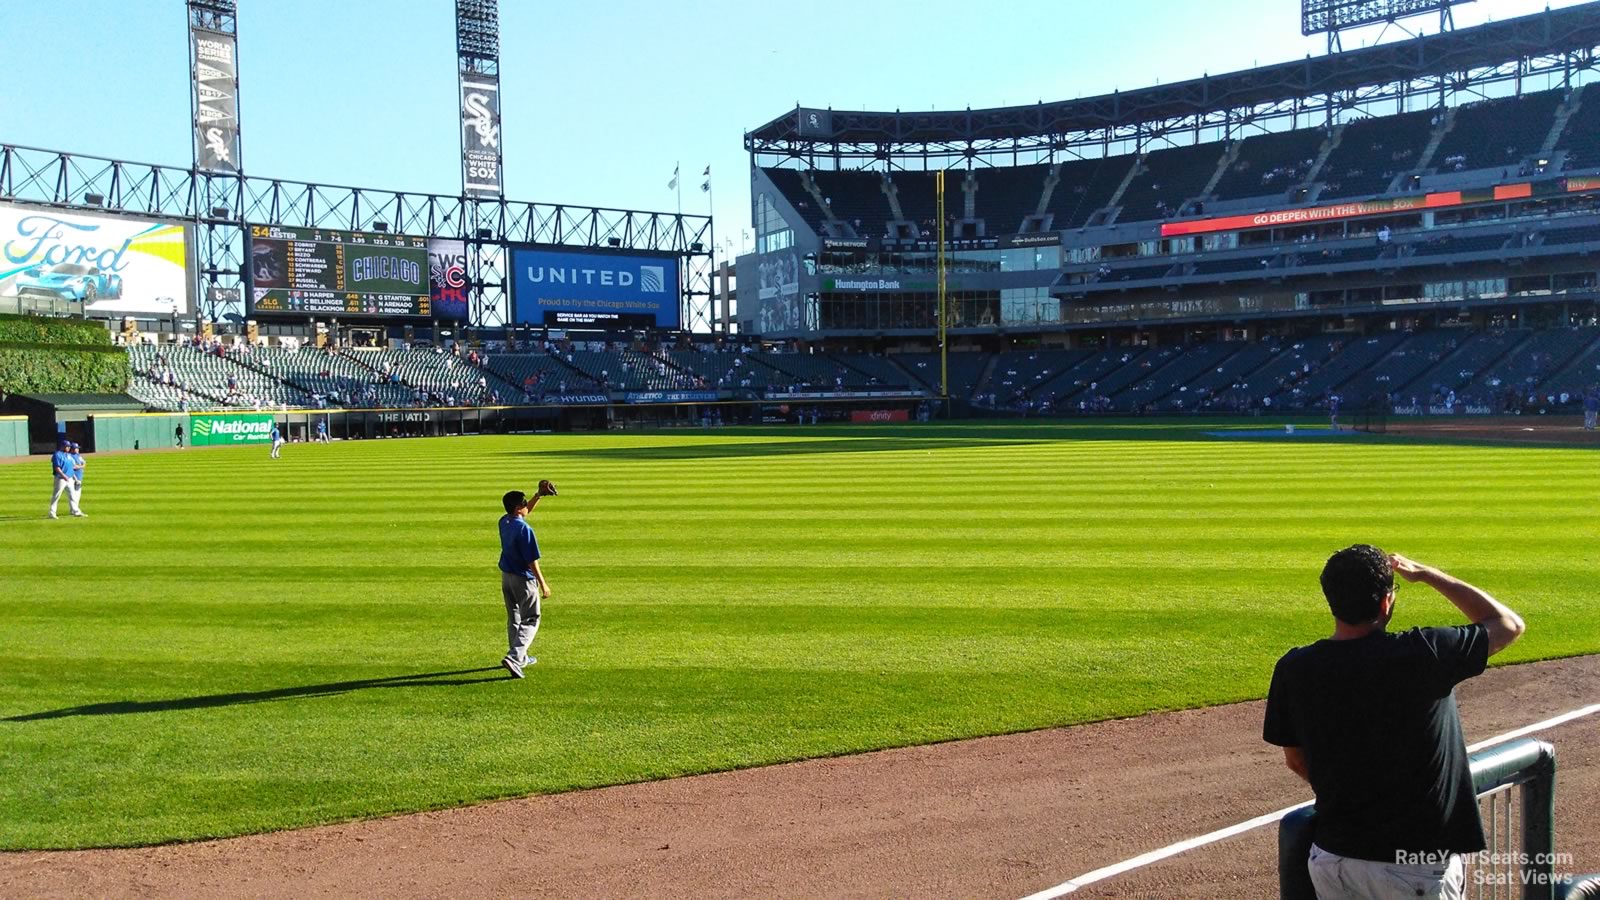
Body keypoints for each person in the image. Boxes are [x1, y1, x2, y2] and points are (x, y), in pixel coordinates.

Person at [1264, 545, 1526, 900]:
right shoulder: (1424, 652)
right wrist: (1428, 575)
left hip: (1334, 860)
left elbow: (1295, 760)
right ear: (1386, 602)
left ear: (1332, 600)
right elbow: (1508, 624)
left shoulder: (1294, 668)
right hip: (1414, 869)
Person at [496, 484, 555, 678]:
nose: (525, 505)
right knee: (531, 619)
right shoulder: (525, 529)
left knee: (514, 618)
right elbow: (532, 560)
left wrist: (538, 495)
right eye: (523, 503)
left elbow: (525, 511)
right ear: (516, 508)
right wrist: (543, 584)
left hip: (507, 578)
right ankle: (514, 657)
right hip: (523, 580)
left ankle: (520, 657)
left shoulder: (504, 521)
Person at [47, 439, 83, 519]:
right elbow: (57, 468)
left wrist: (75, 478)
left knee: (72, 495)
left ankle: (76, 511)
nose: (69, 448)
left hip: (70, 478)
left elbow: (71, 467)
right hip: (60, 478)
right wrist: (63, 476)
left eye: (69, 447)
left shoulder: (69, 455)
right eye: (67, 446)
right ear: (63, 446)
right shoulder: (57, 455)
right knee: (56, 495)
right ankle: (52, 512)